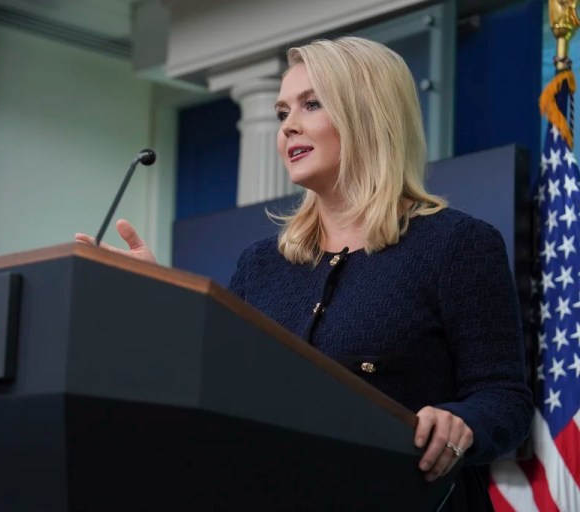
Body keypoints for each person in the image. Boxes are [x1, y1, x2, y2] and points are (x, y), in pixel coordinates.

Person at [76, 37, 533, 511]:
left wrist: (463, 423)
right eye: (280, 114)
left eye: (310, 104)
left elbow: (505, 400)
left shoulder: (456, 244)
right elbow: (222, 394)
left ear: (369, 114)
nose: (288, 127)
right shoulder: (261, 265)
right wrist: (163, 304)